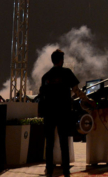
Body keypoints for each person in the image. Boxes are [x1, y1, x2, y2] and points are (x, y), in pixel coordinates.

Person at [39, 49, 90, 177]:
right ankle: (66, 171)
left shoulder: (46, 76)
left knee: (49, 143)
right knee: (64, 143)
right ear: (61, 60)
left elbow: (42, 95)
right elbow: (76, 90)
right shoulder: (67, 73)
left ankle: (49, 170)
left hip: (49, 114)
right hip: (63, 113)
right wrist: (87, 100)